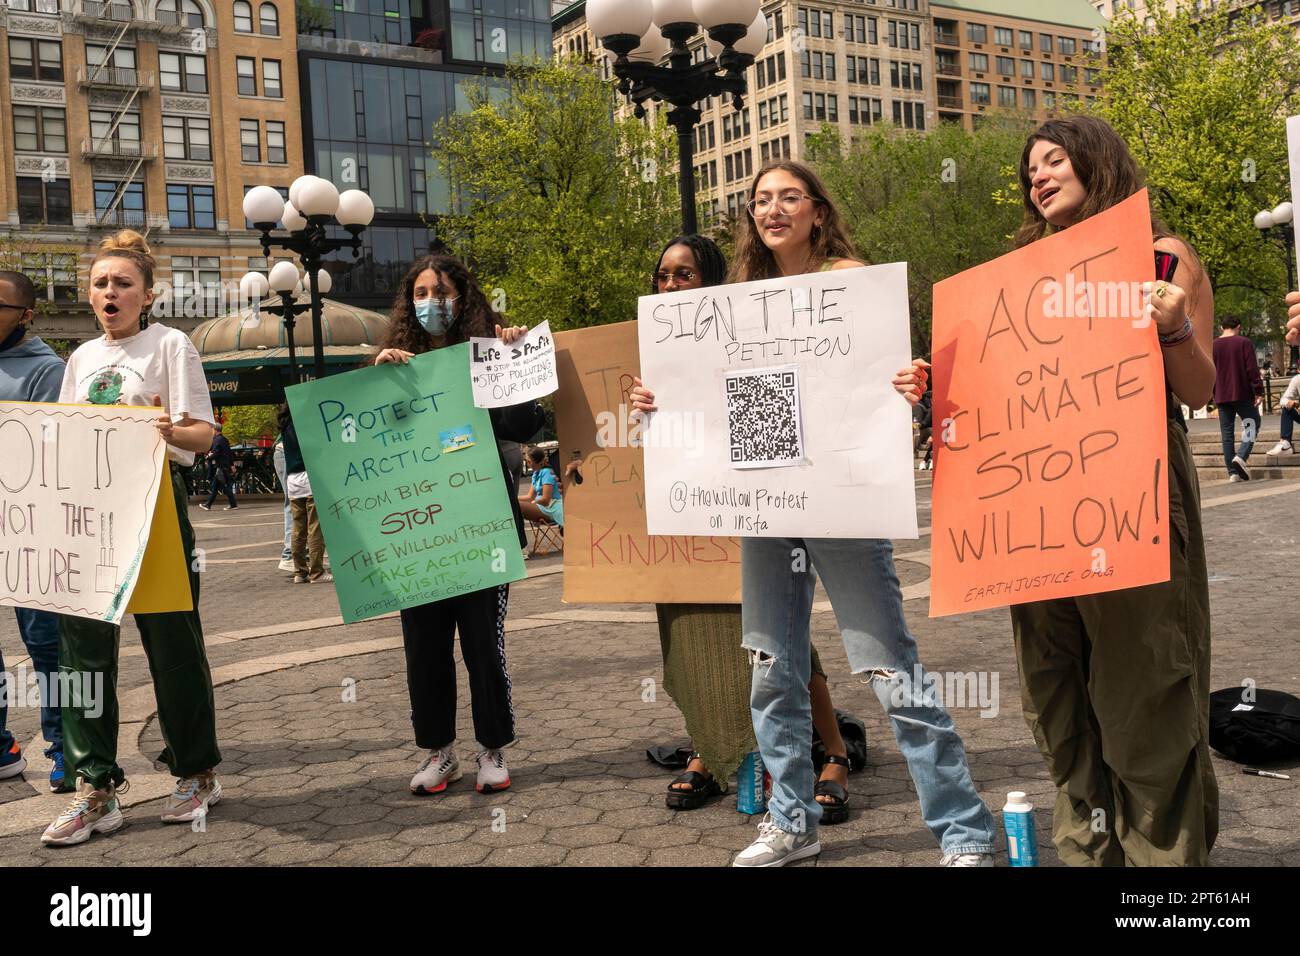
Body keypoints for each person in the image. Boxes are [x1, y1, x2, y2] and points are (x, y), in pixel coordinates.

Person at [633, 169, 997, 866]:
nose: (772, 208)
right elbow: (717, 398)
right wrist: (661, 403)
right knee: (772, 665)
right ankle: (790, 822)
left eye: (787, 197)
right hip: (767, 500)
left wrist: (910, 384)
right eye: (761, 199)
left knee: (888, 664)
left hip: (841, 496)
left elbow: (881, 386)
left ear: (818, 212)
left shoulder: (852, 282)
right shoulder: (741, 300)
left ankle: (965, 830)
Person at [902, 115, 1218, 866]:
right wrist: (933, 384)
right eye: (1030, 170)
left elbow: (1201, 389)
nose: (1037, 176)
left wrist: (1172, 330)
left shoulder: (1159, 258)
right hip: (1034, 511)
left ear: (1096, 162)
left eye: (1054, 161)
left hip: (1127, 495)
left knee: (1142, 687)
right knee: (1056, 690)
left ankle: (1162, 869)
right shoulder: (1019, 274)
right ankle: (1087, 851)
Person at [43, 231, 223, 846]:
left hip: (155, 507)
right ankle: (95, 788)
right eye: (100, 283)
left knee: (171, 641)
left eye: (122, 283)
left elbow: (203, 436)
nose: (109, 292)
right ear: (89, 297)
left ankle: (195, 771)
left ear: (148, 294)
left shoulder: (170, 346)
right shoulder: (79, 360)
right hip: (89, 511)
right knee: (82, 652)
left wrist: (171, 429)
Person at [372, 255, 544, 796]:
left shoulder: (488, 355)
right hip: (419, 534)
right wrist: (379, 384)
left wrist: (512, 361)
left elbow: (524, 423)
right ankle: (439, 752)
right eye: (420, 293)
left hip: (481, 527)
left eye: (441, 292)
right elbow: (372, 442)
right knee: (423, 648)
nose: (430, 303)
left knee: (482, 647)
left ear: (463, 298)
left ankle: (492, 747)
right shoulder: (394, 366)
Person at [0, 270, 70, 793]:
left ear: (25, 314)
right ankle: (2, 749)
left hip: (32, 531)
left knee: (45, 644)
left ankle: (66, 748)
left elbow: (53, 455)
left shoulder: (48, 370)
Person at [278, 403, 329, 584]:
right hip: (308, 477)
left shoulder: (285, 426)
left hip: (292, 479)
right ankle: (317, 572)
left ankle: (300, 572)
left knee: (297, 528)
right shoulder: (303, 425)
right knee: (315, 526)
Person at [1211, 317, 1264, 481]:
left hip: (1221, 394)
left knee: (1227, 434)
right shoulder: (1243, 342)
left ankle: (1232, 473)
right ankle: (1241, 455)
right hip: (1241, 393)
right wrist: (1258, 390)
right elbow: (1252, 369)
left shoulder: (1212, 345)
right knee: (1252, 422)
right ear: (1239, 327)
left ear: (1221, 327)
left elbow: (1209, 370)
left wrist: (1213, 394)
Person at [518, 447, 564, 526]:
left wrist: (535, 502)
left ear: (537, 462)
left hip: (553, 507)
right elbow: (530, 496)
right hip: (543, 506)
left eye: (529, 462)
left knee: (517, 506)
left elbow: (546, 500)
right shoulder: (536, 474)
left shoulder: (547, 473)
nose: (528, 464)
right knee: (513, 504)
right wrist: (512, 498)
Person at [200, 422, 239, 509]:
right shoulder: (225, 439)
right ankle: (208, 504)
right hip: (225, 466)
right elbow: (229, 453)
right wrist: (232, 465)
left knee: (224, 486)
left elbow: (216, 453)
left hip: (220, 466)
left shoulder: (217, 440)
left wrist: (208, 457)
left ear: (215, 430)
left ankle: (210, 504)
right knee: (218, 486)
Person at [271, 432, 295, 571]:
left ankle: (300, 555)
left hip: (285, 451)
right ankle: (289, 555)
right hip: (287, 452)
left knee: (295, 502)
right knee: (294, 503)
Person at [1266, 371, 1300, 456]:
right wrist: (1294, 403)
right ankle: (1285, 444)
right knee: (1287, 407)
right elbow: (1283, 400)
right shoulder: (1297, 379)